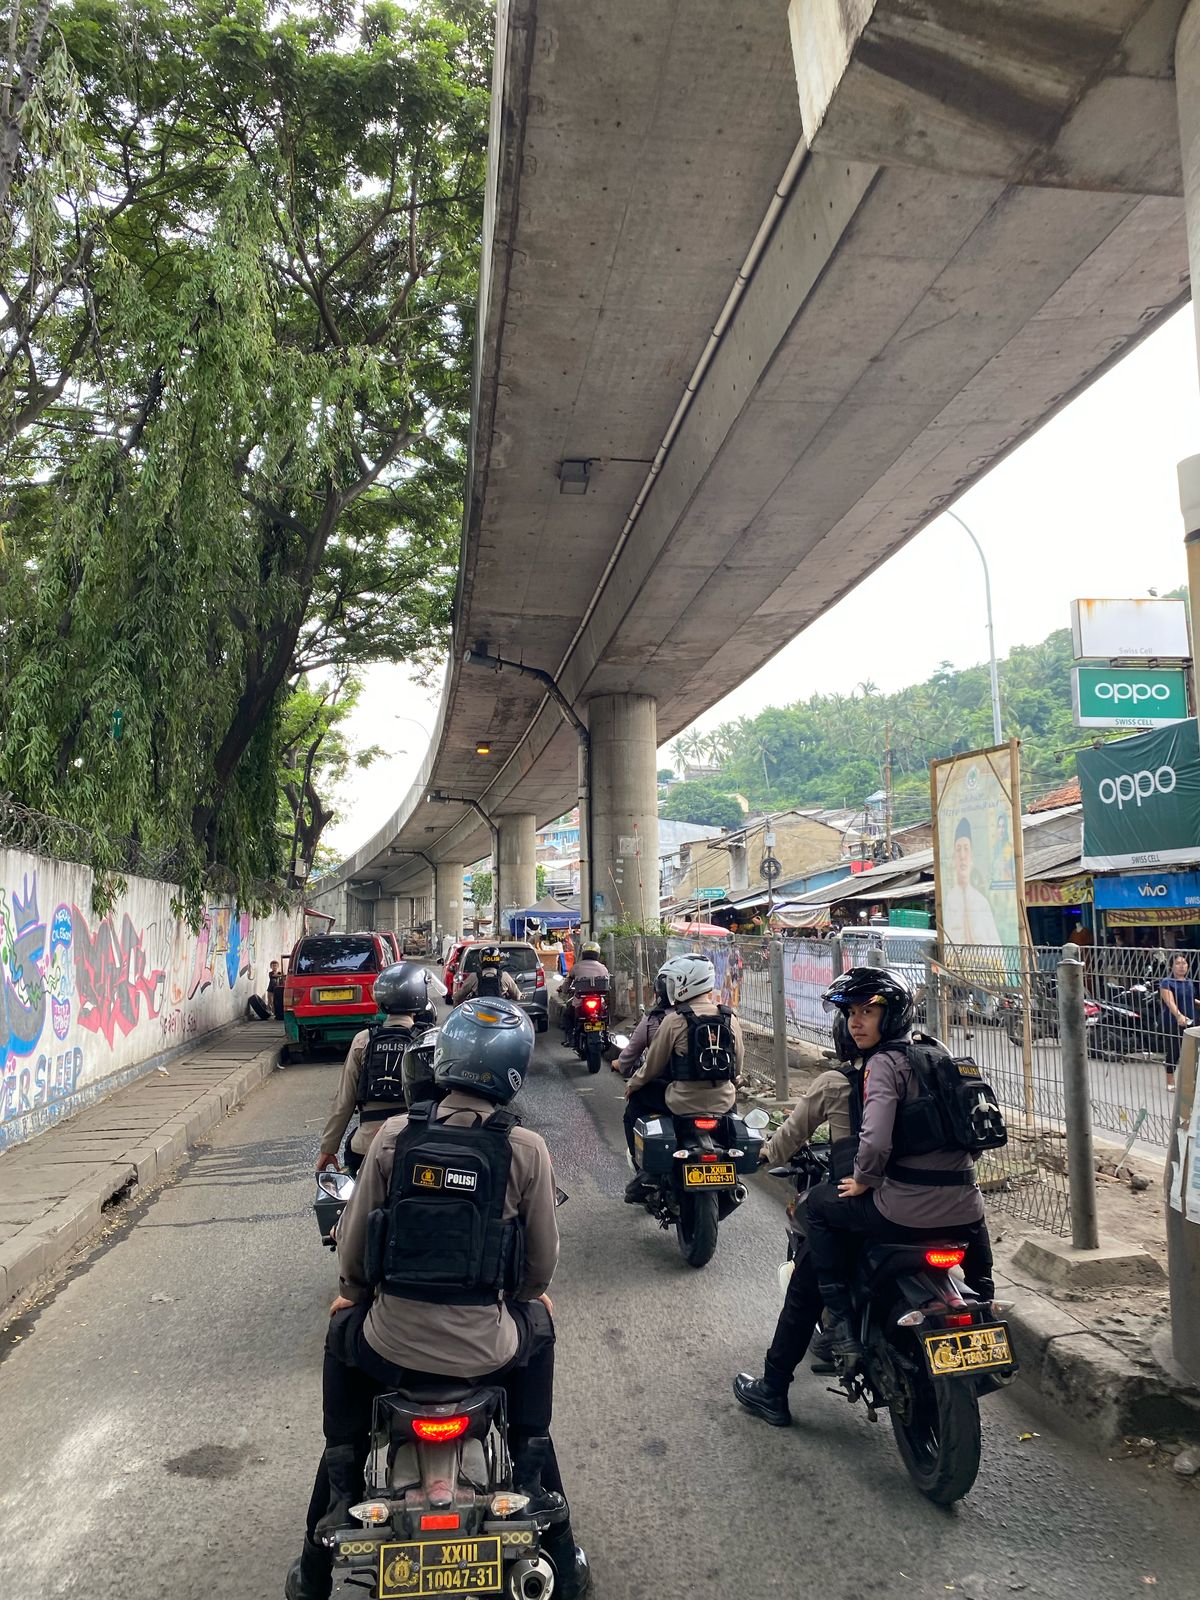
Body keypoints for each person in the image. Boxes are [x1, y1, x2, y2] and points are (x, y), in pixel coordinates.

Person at [285, 998, 589, 1600]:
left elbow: (353, 1246)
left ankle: (326, 1537)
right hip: (488, 1351)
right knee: (540, 1325)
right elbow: (540, 1266)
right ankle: (540, 1495)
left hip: (389, 1347)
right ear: (512, 1071)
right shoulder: (527, 1148)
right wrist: (528, 1298)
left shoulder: (394, 1135)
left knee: (341, 1334)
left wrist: (351, 1296)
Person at [799, 967, 994, 1371]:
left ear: (892, 1016)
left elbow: (875, 1142)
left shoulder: (883, 1064)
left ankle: (840, 1326)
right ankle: (986, 1304)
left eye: (867, 1011)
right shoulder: (941, 1057)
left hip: (902, 1211)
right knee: (974, 1233)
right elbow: (977, 1135)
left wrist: (864, 1180)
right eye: (851, 1013)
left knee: (817, 1207)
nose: (855, 1022)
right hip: (967, 1207)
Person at [622, 954, 744, 1203]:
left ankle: (645, 1172)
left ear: (686, 983)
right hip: (723, 1103)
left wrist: (633, 1085)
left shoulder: (674, 1020)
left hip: (681, 1103)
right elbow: (738, 1066)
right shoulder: (730, 1018)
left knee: (634, 1105)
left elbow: (652, 1067)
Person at [315, 963, 442, 1177]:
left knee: (354, 1191)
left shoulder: (363, 1040)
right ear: (419, 997)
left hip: (368, 1145)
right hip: (418, 1141)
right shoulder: (430, 1040)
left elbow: (344, 1101)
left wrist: (328, 1148)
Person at [612, 973, 674, 1160]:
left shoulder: (659, 1021)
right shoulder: (723, 1017)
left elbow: (651, 1066)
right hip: (718, 1098)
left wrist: (632, 1082)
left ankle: (639, 1162)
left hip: (671, 1093)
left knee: (632, 1111)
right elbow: (736, 1071)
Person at [940, 816, 1004, 947]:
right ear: (953, 858)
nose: (962, 856)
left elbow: (996, 946)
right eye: (958, 849)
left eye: (966, 849)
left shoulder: (981, 902)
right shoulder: (949, 900)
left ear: (972, 857)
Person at [558, 940, 609, 1041]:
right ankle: (606, 1033)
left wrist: (564, 990)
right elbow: (607, 983)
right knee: (606, 1014)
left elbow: (568, 981)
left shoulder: (577, 967)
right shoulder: (603, 968)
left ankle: (570, 1038)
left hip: (580, 1002)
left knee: (567, 1016)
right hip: (599, 1002)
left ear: (584, 953)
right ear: (597, 954)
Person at [1160, 953, 1196, 1092]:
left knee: (1191, 1052)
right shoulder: (1167, 982)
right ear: (1171, 966)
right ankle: (1170, 1080)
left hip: (1191, 1020)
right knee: (1174, 1050)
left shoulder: (1189, 982)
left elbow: (1191, 999)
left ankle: (1188, 1082)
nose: (1181, 966)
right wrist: (1179, 1016)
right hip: (1173, 1021)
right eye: (1178, 963)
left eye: (1184, 963)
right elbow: (1170, 1002)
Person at [452, 943, 521, 1005]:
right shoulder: (504, 976)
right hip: (499, 1012)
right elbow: (517, 997)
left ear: (481, 960)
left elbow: (458, 997)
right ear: (498, 960)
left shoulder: (474, 977)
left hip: (479, 1012)